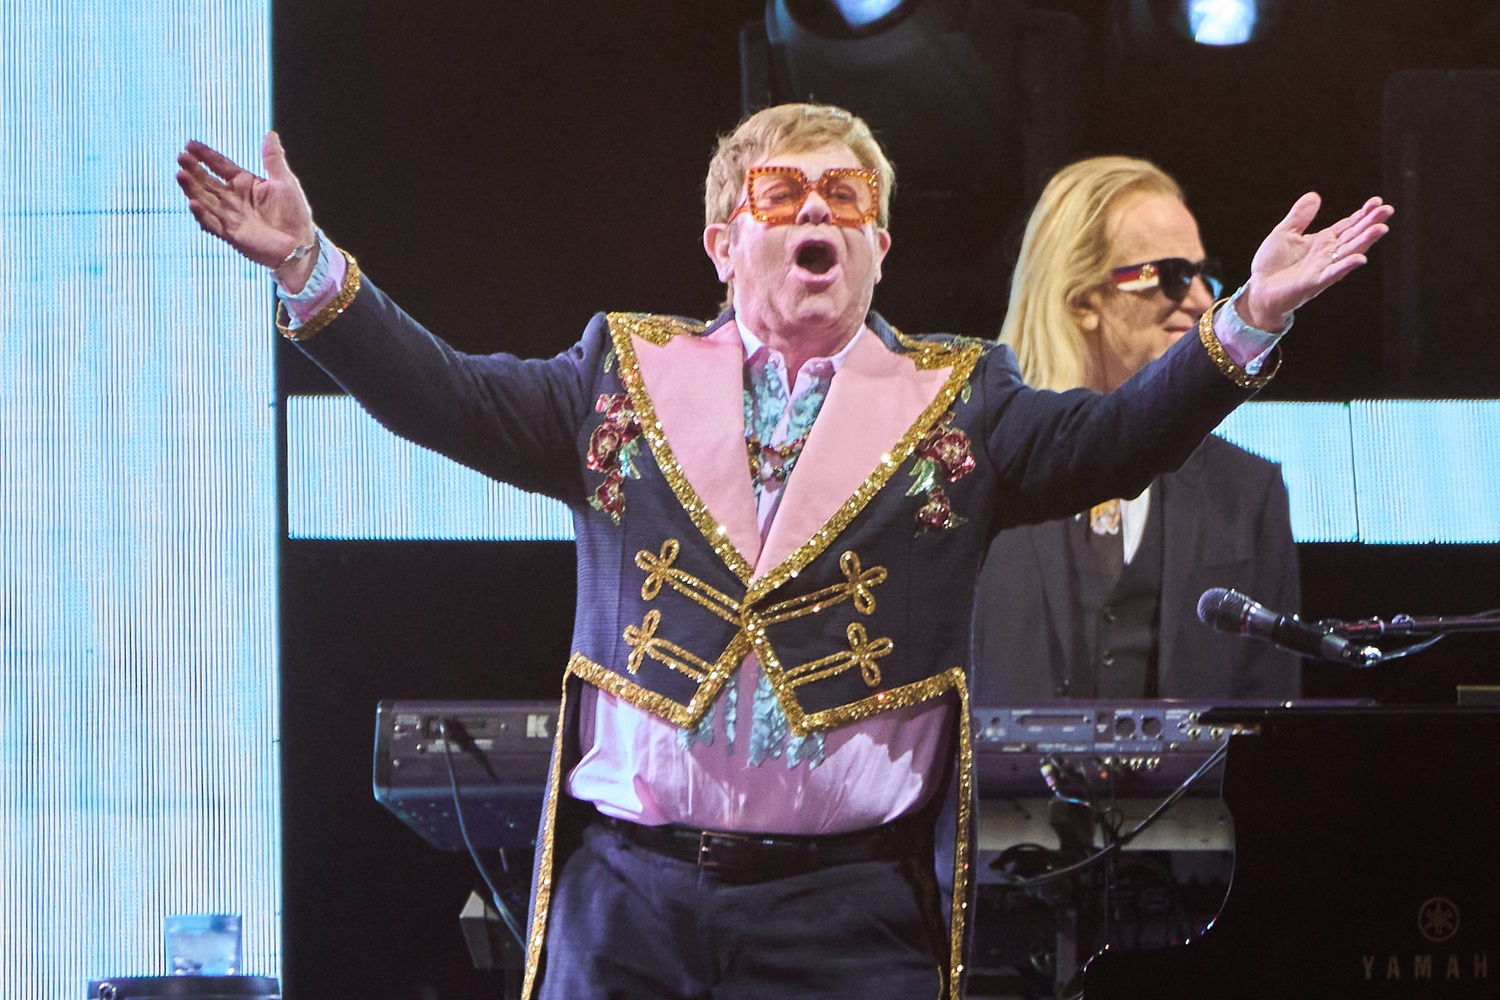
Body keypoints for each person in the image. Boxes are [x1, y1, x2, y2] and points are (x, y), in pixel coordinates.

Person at [175, 104, 1389, 1000]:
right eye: (783, 194)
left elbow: (1126, 434)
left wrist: (1251, 317)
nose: (817, 212)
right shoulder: (621, 380)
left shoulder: (962, 403)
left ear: (880, 246)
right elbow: (443, 396)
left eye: (846, 198)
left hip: (847, 916)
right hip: (628, 904)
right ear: (721, 241)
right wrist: (305, 264)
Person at [970, 156, 1302, 705]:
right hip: (999, 793)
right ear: (1083, 301)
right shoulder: (969, 469)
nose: (1200, 299)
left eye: (1205, 274)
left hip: (1191, 795)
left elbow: (1271, 719)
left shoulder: (1248, 493)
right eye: (1171, 275)